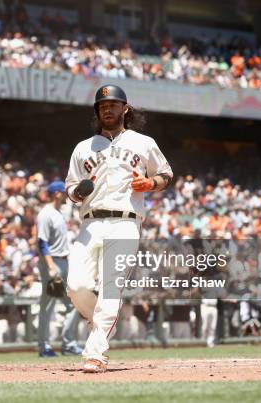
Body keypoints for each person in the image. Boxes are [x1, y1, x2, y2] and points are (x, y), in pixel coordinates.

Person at [65, 85, 173, 373]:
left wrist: (150, 183)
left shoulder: (143, 142)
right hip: (90, 222)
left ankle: (96, 353)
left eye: (112, 104)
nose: (107, 109)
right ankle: (101, 323)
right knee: (75, 286)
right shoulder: (82, 148)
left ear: (125, 108)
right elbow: (71, 190)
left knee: (111, 288)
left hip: (126, 222)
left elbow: (165, 174)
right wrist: (78, 191)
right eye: (102, 106)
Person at [36, 180, 82, 357]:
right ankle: (44, 346)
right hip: (52, 262)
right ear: (56, 194)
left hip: (63, 260)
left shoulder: (58, 213)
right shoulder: (45, 214)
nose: (66, 196)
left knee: (73, 302)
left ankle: (68, 344)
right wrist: (50, 267)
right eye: (63, 193)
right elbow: (42, 243)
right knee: (47, 305)